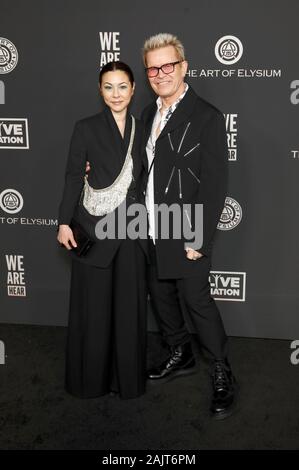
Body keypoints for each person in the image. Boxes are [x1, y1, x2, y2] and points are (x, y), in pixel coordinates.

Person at [141, 33, 237, 419]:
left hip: (185, 228)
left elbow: (215, 185)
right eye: (153, 68)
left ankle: (221, 370)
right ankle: (180, 354)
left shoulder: (207, 116)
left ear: (184, 67)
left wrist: (197, 237)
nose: (160, 73)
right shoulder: (147, 113)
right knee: (161, 296)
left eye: (168, 66)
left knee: (196, 300)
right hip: (147, 225)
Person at [57, 61, 147, 399]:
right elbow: (72, 175)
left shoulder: (145, 127)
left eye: (122, 86)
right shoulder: (86, 127)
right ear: (100, 90)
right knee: (93, 310)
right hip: (94, 230)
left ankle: (127, 382)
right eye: (108, 87)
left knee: (128, 310)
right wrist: (64, 221)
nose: (116, 94)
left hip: (132, 231)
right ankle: (89, 382)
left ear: (134, 88)